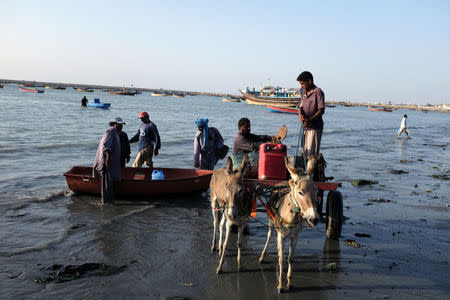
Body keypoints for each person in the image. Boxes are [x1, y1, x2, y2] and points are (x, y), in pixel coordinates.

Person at [92, 117, 123, 204]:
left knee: (109, 180)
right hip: (107, 160)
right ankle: (105, 201)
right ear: (114, 124)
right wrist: (108, 157)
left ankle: (109, 199)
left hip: (112, 161)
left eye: (121, 124)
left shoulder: (116, 133)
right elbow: (106, 145)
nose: (121, 126)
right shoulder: (111, 131)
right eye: (119, 124)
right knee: (106, 180)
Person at [297, 71, 325, 159]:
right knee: (304, 153)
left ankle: (311, 172)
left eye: (302, 84)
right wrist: (300, 115)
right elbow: (300, 107)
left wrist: (310, 120)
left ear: (309, 81)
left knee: (311, 156)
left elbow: (321, 110)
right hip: (305, 127)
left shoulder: (318, 92)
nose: (301, 86)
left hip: (314, 128)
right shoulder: (303, 93)